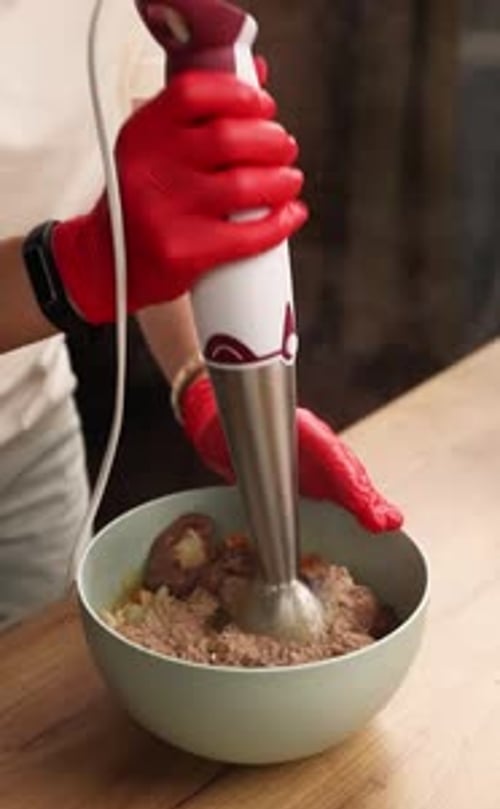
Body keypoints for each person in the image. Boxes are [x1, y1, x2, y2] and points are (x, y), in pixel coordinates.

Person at [0, 1, 402, 630]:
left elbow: (165, 220)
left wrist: (206, 389)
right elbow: (113, 249)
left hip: (30, 429)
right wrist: (69, 269)